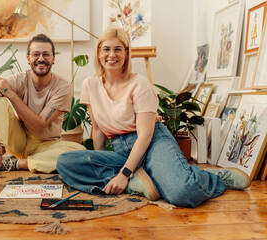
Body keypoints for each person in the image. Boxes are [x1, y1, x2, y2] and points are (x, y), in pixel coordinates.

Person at [56, 28, 251, 208]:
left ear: (126, 53)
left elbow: (144, 136)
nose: (111, 55)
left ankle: (213, 177)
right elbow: (98, 130)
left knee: (181, 193)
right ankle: (135, 181)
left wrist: (122, 173)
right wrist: (99, 160)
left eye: (118, 49)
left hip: (151, 143)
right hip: (120, 148)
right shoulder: (90, 84)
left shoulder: (139, 84)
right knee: (65, 162)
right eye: (106, 49)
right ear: (98, 53)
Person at [0, 34, 85, 191]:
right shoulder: (19, 79)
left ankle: (13, 163)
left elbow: (39, 125)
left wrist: (10, 93)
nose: (41, 58)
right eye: (36, 54)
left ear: (53, 58)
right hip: (18, 139)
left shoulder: (63, 87)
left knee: (79, 151)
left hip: (46, 145)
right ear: (28, 58)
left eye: (46, 54)